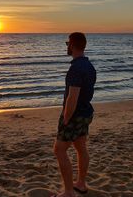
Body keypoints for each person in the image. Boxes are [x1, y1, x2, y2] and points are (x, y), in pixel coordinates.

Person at [51, 32, 96, 197]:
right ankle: (81, 184)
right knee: (80, 147)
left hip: (75, 115)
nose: (66, 46)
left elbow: (72, 97)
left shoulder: (75, 68)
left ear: (72, 45)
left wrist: (66, 118)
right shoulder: (89, 66)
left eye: (67, 43)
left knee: (59, 150)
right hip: (86, 113)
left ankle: (69, 192)